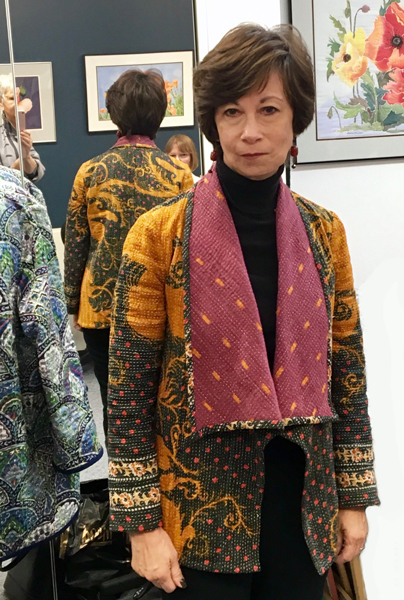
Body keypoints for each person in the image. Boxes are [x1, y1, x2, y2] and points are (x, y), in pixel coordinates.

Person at [107, 24, 379, 600]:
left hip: (303, 506)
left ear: (296, 118)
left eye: (268, 109)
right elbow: (128, 390)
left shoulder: (324, 232)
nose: (250, 131)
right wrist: (141, 526)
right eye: (232, 112)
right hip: (197, 512)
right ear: (213, 123)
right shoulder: (158, 234)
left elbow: (347, 372)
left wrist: (354, 495)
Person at [64, 69, 193, 436]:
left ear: (114, 114)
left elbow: (76, 243)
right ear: (160, 113)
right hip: (161, 305)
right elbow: (188, 247)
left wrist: (73, 303)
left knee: (113, 400)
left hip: (101, 306)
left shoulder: (90, 172)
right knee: (165, 398)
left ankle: (121, 469)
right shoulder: (179, 175)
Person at [0, 165, 102, 561]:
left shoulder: (90, 173)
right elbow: (46, 323)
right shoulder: (13, 196)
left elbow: (74, 239)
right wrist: (73, 438)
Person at [0, 74, 45, 181]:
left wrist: (26, 156)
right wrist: (18, 164)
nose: (18, 103)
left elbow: (36, 173)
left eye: (19, 98)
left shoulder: (19, 130)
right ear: (1, 102)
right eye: (12, 98)